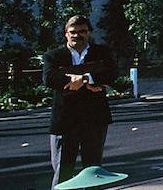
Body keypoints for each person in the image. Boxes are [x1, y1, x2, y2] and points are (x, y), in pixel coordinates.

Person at [42, 15, 117, 188]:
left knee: (93, 171)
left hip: (94, 120)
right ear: (66, 34)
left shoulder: (102, 53)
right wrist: (89, 81)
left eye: (82, 31)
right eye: (73, 32)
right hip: (65, 121)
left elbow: (112, 73)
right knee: (63, 170)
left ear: (89, 33)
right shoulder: (53, 56)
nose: (77, 35)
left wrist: (84, 78)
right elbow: (49, 78)